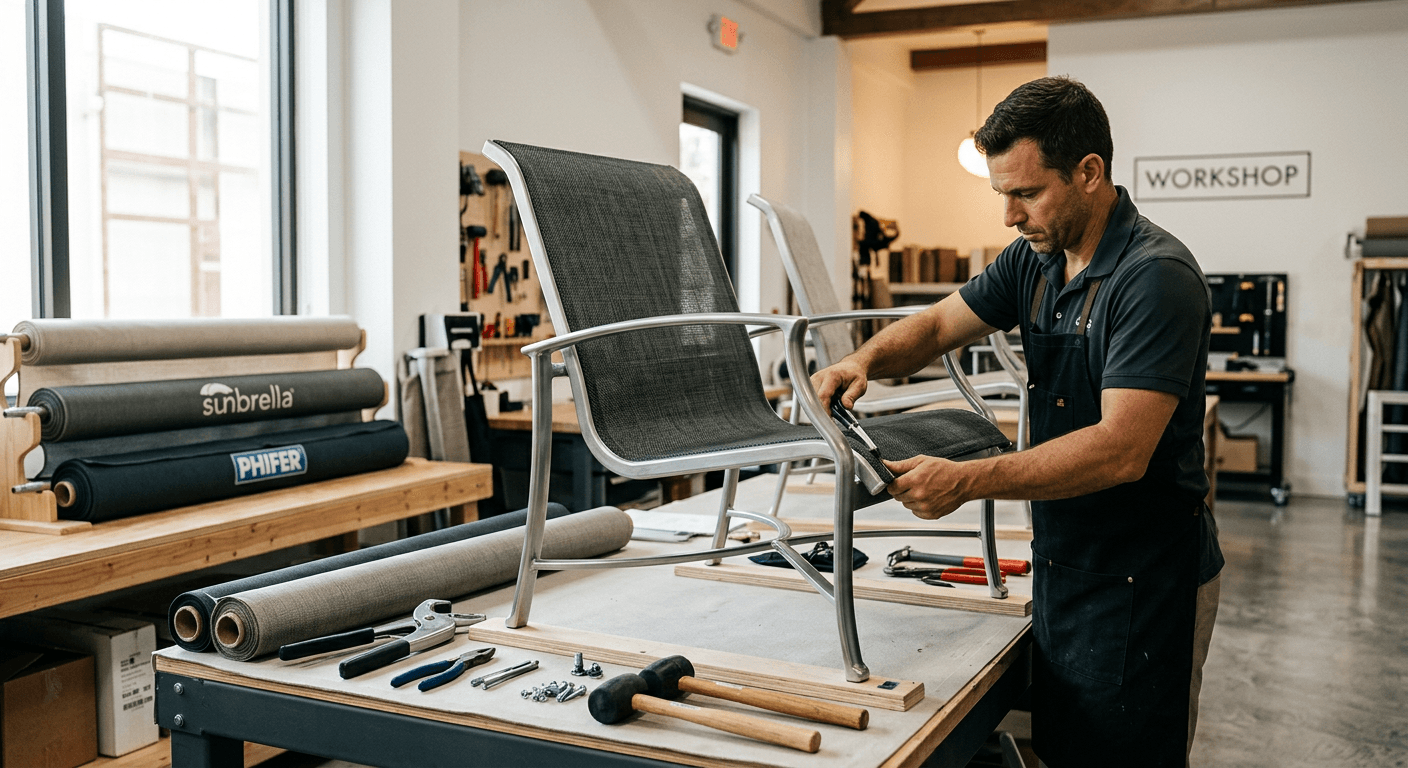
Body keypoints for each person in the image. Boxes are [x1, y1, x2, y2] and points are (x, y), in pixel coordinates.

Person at [811, 76, 1223, 767]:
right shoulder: (1037, 260)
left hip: (1147, 578)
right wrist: (864, 360)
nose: (1008, 215)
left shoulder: (1154, 277)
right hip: (1066, 558)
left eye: (1026, 193)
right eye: (1001, 194)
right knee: (1067, 747)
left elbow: (1120, 451)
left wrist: (966, 481)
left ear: (1089, 173)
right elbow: (943, 322)